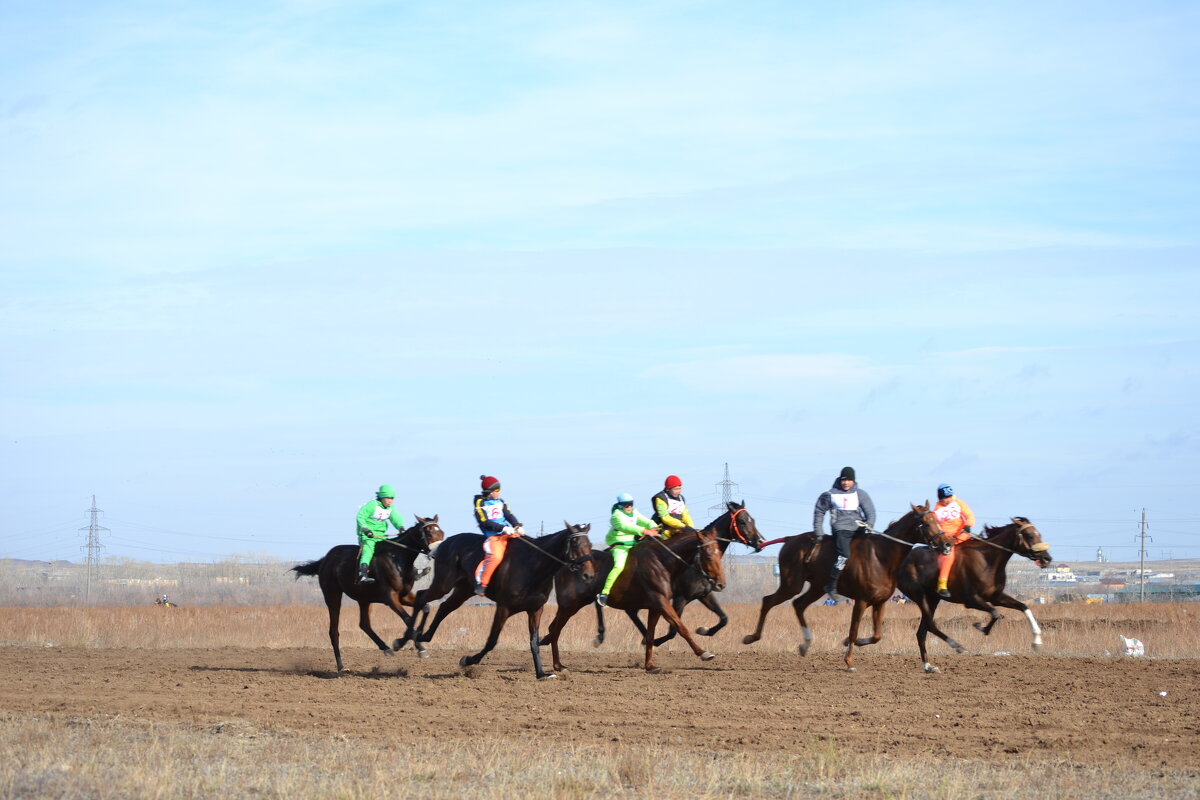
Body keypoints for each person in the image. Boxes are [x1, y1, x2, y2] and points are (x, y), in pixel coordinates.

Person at [812, 466, 876, 597]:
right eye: (843, 480)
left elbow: (870, 512)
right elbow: (819, 511)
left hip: (859, 529)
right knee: (845, 554)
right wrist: (818, 530)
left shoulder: (860, 494)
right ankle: (831, 584)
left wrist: (869, 524)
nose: (845, 483)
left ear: (853, 481)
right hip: (841, 530)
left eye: (848, 480)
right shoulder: (830, 494)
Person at [597, 493, 660, 606]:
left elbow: (645, 521)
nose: (628, 507)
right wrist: (644, 531)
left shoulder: (634, 512)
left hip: (633, 543)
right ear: (620, 505)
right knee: (619, 566)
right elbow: (626, 527)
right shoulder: (616, 516)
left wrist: (655, 527)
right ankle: (604, 593)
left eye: (630, 504)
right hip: (620, 545)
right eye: (625, 505)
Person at [472, 475, 524, 596]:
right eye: (496, 490)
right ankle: (482, 583)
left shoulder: (501, 501)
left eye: (499, 490)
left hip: (508, 532)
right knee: (496, 557)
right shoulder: (480, 503)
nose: (499, 492)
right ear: (489, 492)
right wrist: (503, 528)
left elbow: (509, 515)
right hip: (494, 536)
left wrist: (517, 526)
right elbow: (484, 521)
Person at [355, 484, 407, 584]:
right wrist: (365, 529)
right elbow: (360, 516)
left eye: (392, 498)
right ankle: (362, 574)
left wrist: (400, 527)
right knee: (368, 550)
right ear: (382, 497)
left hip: (380, 535)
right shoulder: (372, 505)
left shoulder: (390, 508)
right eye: (388, 498)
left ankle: (411, 570)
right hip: (367, 535)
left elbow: (396, 518)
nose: (390, 501)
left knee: (394, 549)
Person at [932, 483, 976, 598]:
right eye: (945, 498)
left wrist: (967, 525)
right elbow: (937, 529)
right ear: (940, 498)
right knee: (948, 556)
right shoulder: (936, 512)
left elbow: (970, 516)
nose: (947, 500)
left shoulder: (958, 503)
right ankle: (942, 585)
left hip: (963, 535)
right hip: (948, 541)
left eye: (949, 497)